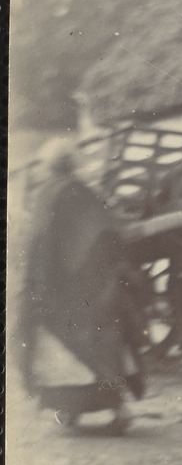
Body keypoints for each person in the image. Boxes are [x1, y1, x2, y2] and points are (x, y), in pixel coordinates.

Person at [16, 138, 148, 434]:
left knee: (57, 334)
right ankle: (113, 406)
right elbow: (107, 236)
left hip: (63, 289)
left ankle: (69, 405)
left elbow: (39, 244)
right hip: (95, 288)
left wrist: (39, 285)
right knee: (104, 337)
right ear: (72, 163)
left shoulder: (47, 194)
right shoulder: (86, 192)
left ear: (49, 166)